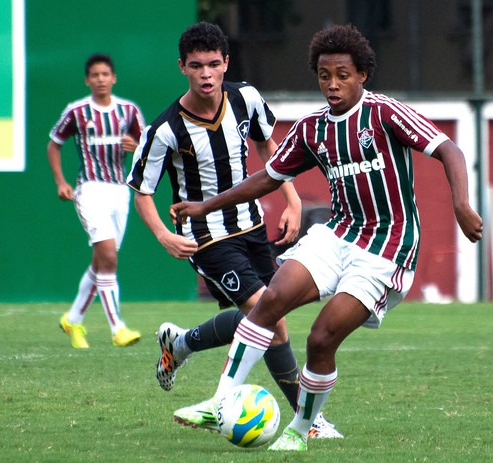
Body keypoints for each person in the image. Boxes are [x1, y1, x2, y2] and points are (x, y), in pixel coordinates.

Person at [171, 24, 484, 451]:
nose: (332, 84)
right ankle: (219, 400)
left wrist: (461, 204)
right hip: (337, 235)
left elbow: (449, 148)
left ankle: (301, 430)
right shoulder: (312, 128)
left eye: (342, 75)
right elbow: (266, 178)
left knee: (320, 339)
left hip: (386, 249)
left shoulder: (384, 113)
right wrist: (206, 206)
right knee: (270, 301)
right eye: (324, 75)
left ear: (362, 75)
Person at [127, 22, 342, 438]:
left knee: (265, 314)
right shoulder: (165, 129)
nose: (205, 74)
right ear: (182, 68)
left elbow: (270, 151)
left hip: (252, 225)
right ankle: (308, 421)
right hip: (206, 238)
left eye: (212, 64)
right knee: (273, 320)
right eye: (195, 66)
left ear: (226, 63)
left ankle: (182, 343)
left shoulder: (247, 98)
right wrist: (163, 234)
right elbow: (141, 191)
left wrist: (293, 200)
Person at [48, 53, 145, 349]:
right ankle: (118, 328)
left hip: (120, 190)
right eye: (95, 75)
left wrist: (137, 145)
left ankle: (73, 319)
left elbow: (150, 146)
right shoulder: (77, 111)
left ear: (113, 78)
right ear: (87, 80)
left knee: (102, 260)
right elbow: (54, 144)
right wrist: (61, 182)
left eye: (106, 74)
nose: (101, 79)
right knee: (109, 258)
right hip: (89, 189)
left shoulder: (128, 111)